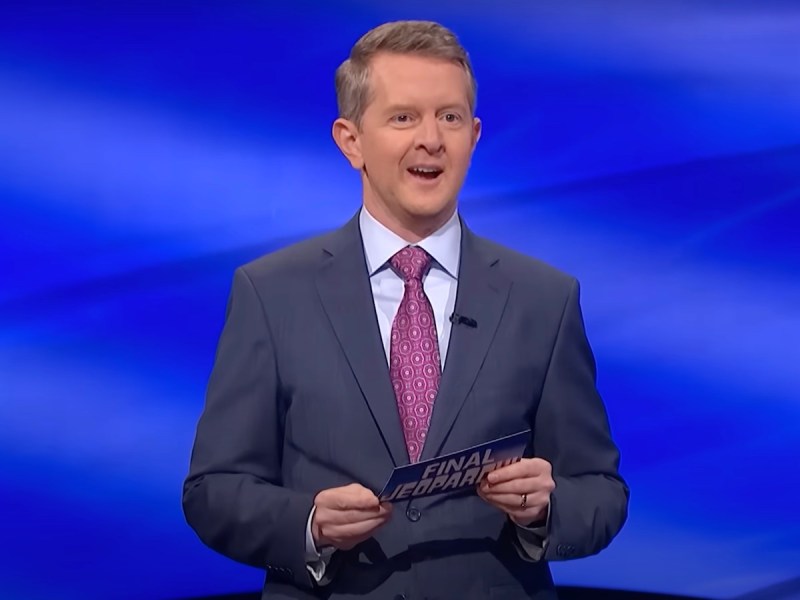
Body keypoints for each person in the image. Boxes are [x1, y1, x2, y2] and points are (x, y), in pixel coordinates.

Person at [183, 20, 628, 600]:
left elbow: (601, 492)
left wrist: (546, 508)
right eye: (403, 117)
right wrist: (308, 524)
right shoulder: (271, 293)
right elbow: (213, 490)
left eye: (449, 117)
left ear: (474, 136)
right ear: (351, 141)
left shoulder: (543, 298)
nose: (431, 139)